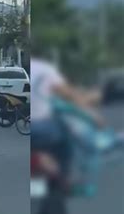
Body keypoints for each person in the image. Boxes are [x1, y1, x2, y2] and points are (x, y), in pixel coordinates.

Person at [31, 55, 104, 194]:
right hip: (44, 129)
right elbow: (71, 97)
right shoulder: (45, 69)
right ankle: (63, 179)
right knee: (66, 141)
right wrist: (94, 117)